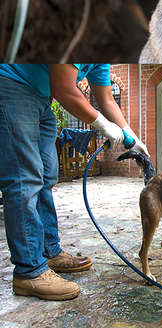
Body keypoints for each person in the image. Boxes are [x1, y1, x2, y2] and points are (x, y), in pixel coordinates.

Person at [0, 64, 149, 301]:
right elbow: (64, 89)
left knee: (47, 175)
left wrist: (131, 135)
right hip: (11, 85)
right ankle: (29, 271)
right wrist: (102, 125)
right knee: (24, 179)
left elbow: (107, 99)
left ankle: (49, 251)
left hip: (42, 97)